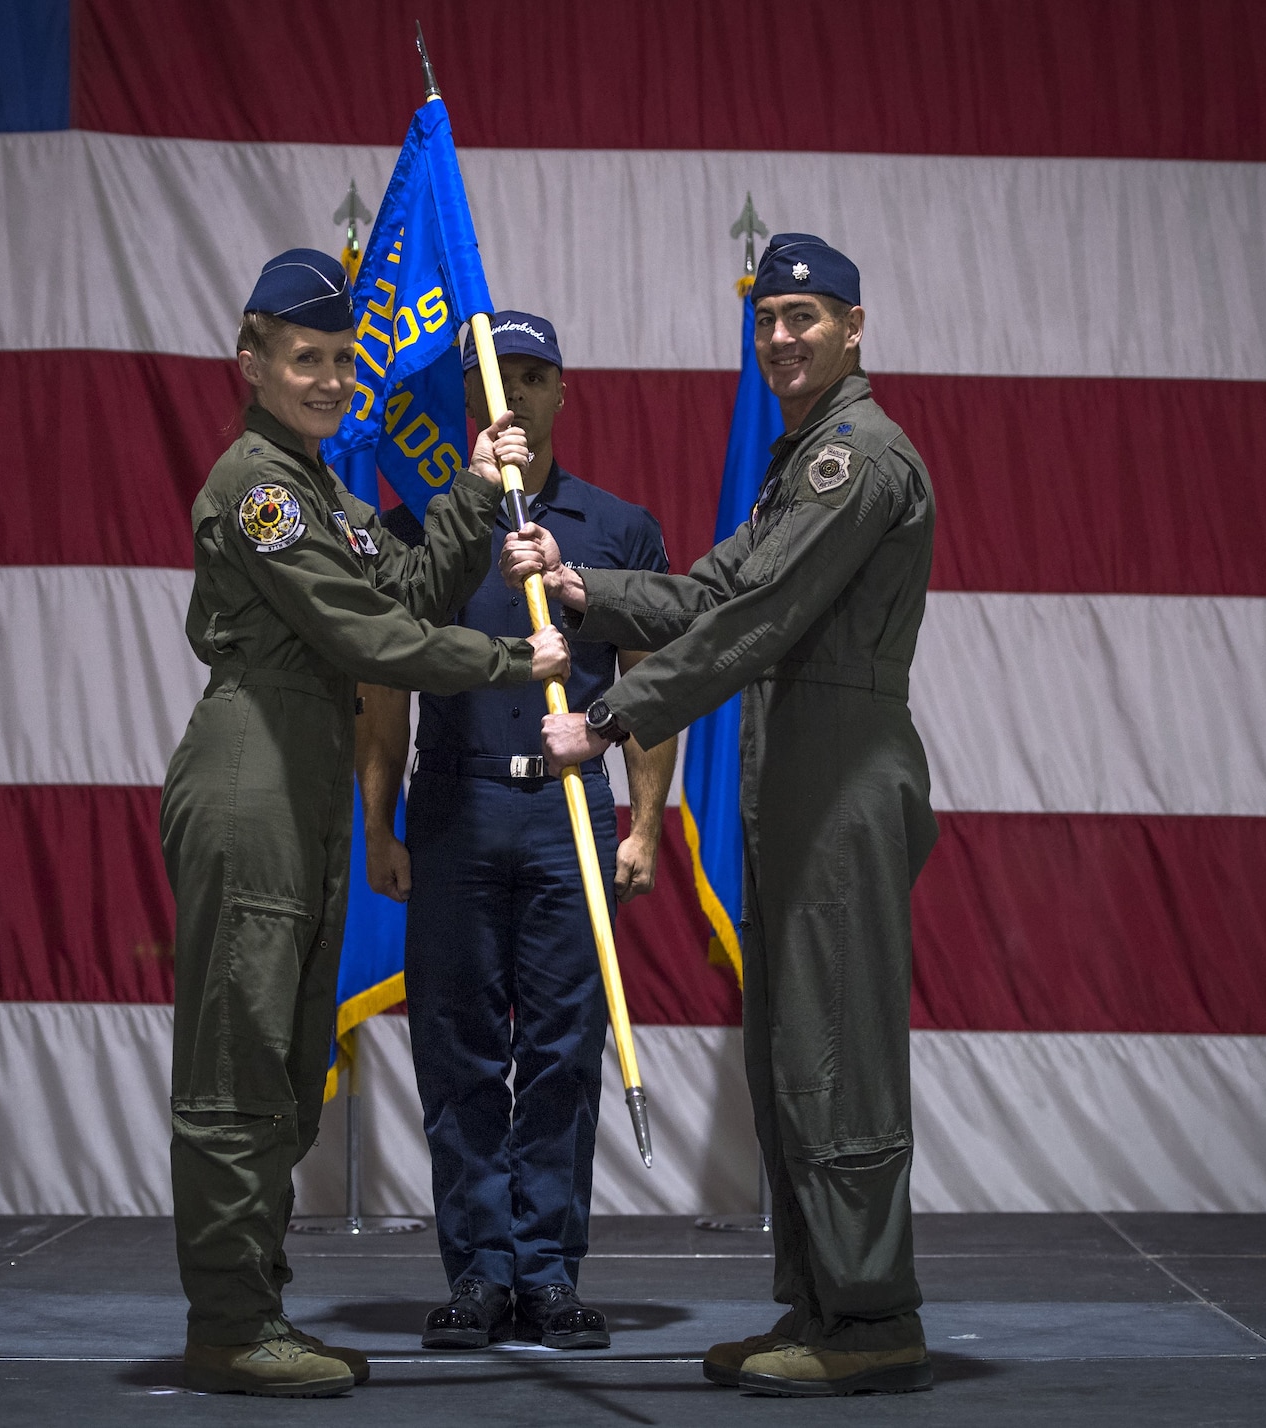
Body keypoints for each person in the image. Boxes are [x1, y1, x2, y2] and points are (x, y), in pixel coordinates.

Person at [501, 234, 939, 1397]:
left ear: (853, 327)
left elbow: (757, 625)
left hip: (839, 769)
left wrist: (602, 722)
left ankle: (869, 1317)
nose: (782, 336)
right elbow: (709, 590)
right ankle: (818, 1304)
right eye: (766, 318)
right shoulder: (801, 460)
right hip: (794, 763)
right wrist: (586, 586)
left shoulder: (856, 459)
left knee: (836, 1052)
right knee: (796, 1050)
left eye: (804, 316)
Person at [162, 250, 570, 1398]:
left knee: (289, 1064)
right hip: (255, 765)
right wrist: (509, 658)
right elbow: (371, 642)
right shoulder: (264, 489)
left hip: (303, 775)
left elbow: (403, 593)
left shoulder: (326, 490)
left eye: (344, 360)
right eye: (307, 359)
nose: (333, 379)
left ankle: (254, 1309)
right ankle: (231, 1324)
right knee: (240, 1064)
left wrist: (478, 488)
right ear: (250, 364)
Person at [354, 312, 677, 1352]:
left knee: (558, 1053)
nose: (520, 395)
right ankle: (477, 1273)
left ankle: (545, 1272)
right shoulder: (421, 531)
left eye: (537, 376)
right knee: (452, 1055)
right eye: (504, 377)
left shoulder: (614, 526)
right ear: (472, 400)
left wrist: (646, 827)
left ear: (562, 393)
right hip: (450, 808)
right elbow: (381, 685)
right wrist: (378, 824)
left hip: (566, 814)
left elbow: (647, 687)